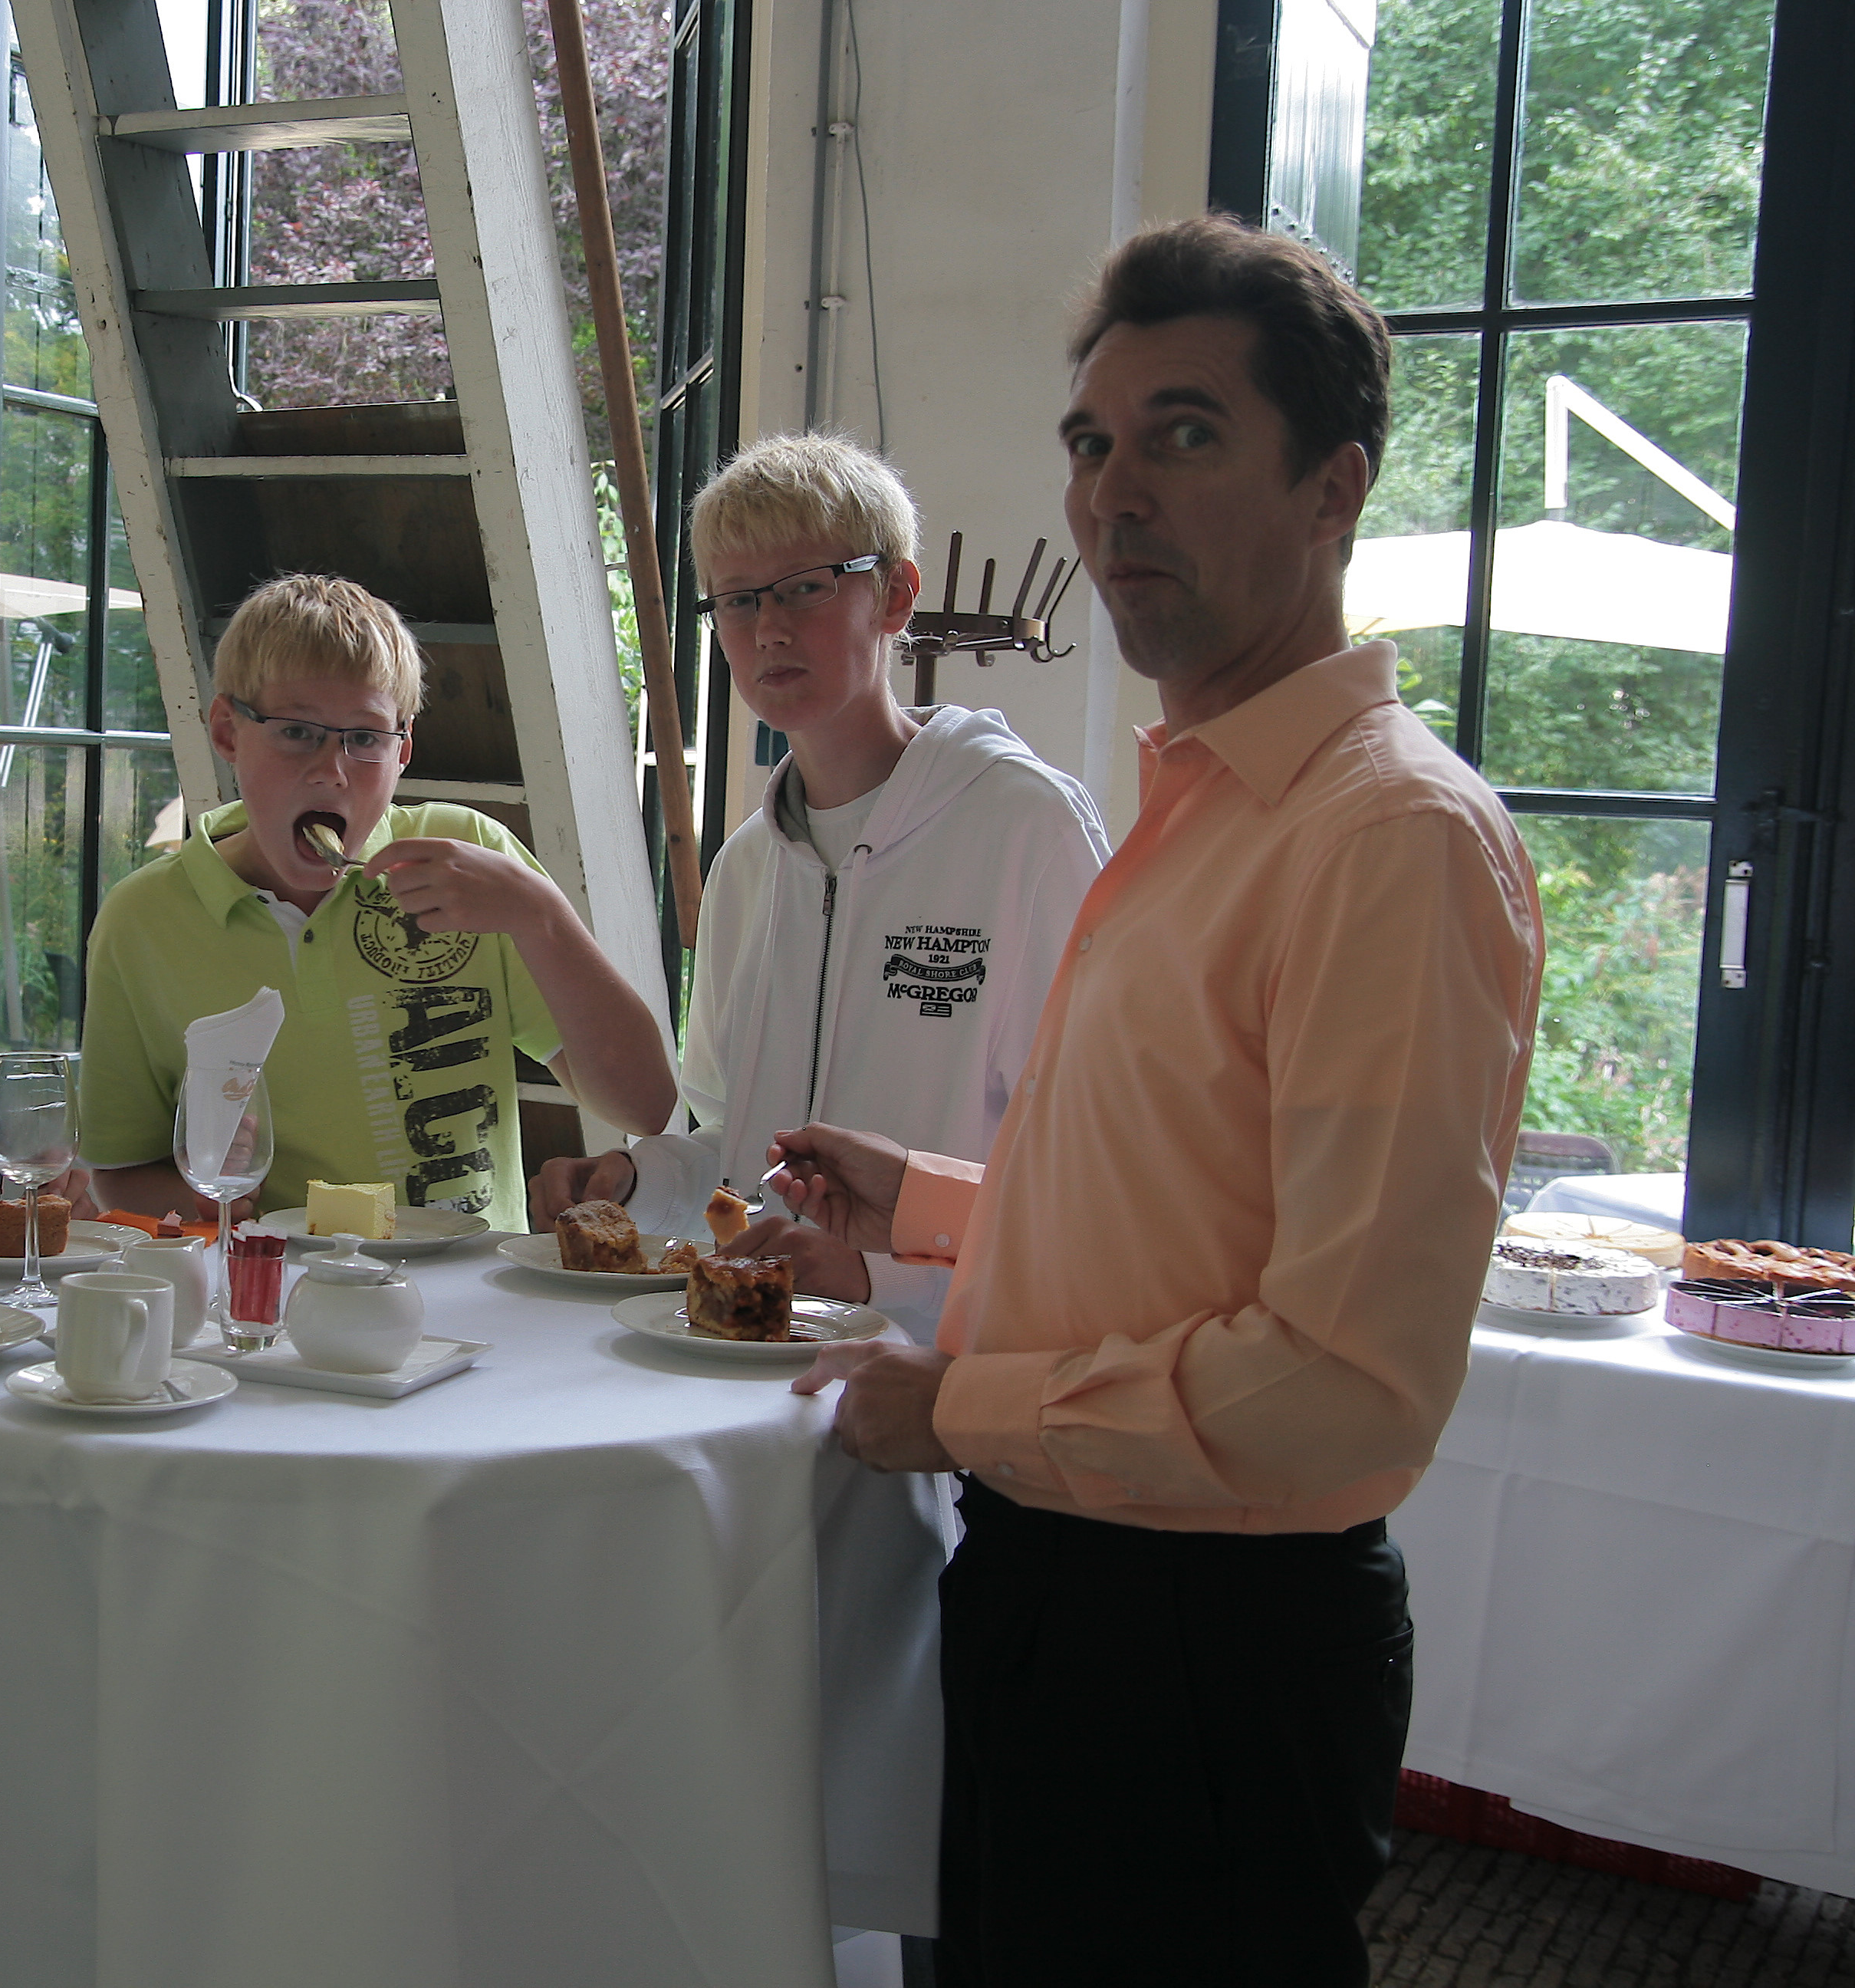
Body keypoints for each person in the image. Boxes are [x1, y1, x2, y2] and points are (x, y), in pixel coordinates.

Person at [759, 216, 1544, 1986]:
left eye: (1184, 435)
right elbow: (1187, 1206)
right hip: (1072, 1587)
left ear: (1333, 487)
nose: (1113, 495)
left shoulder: (1387, 839)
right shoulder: (1203, 806)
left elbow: (1341, 1387)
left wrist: (961, 1408)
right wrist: (929, 1206)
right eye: (1091, 442)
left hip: (1199, 1642)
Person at [529, 433, 1109, 1345]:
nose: (770, 629)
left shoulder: (1024, 830)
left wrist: (881, 1280)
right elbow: (739, 1155)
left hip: (955, 1376)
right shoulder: (747, 868)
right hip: (759, 1365)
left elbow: (1096, 1173)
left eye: (806, 587)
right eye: (739, 599)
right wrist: (641, 1182)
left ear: (897, 596)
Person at [80, 571, 673, 1231]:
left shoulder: (471, 861)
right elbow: (119, 1171)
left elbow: (645, 1106)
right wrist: (208, 1194)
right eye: (296, 732)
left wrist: (541, 917)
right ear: (227, 731)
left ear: (403, 750)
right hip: (275, 1288)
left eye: (364, 739)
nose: (330, 770)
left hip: (474, 1288)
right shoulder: (142, 921)